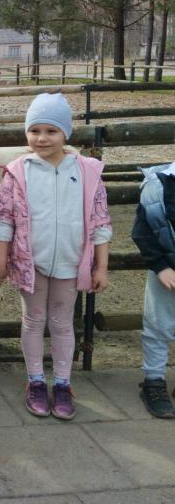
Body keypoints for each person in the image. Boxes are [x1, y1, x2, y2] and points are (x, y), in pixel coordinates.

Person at [0, 93, 111, 420]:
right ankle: (36, 380)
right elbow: (4, 220)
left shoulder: (87, 172)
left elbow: (100, 221)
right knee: (32, 320)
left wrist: (101, 266)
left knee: (61, 323)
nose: (42, 138)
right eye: (35, 130)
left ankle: (63, 383)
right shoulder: (18, 173)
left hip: (70, 263)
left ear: (65, 133)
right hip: (32, 264)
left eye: (51, 131)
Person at [132, 135, 175, 419]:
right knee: (158, 325)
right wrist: (160, 266)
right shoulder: (158, 187)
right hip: (167, 271)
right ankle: (154, 379)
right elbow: (143, 230)